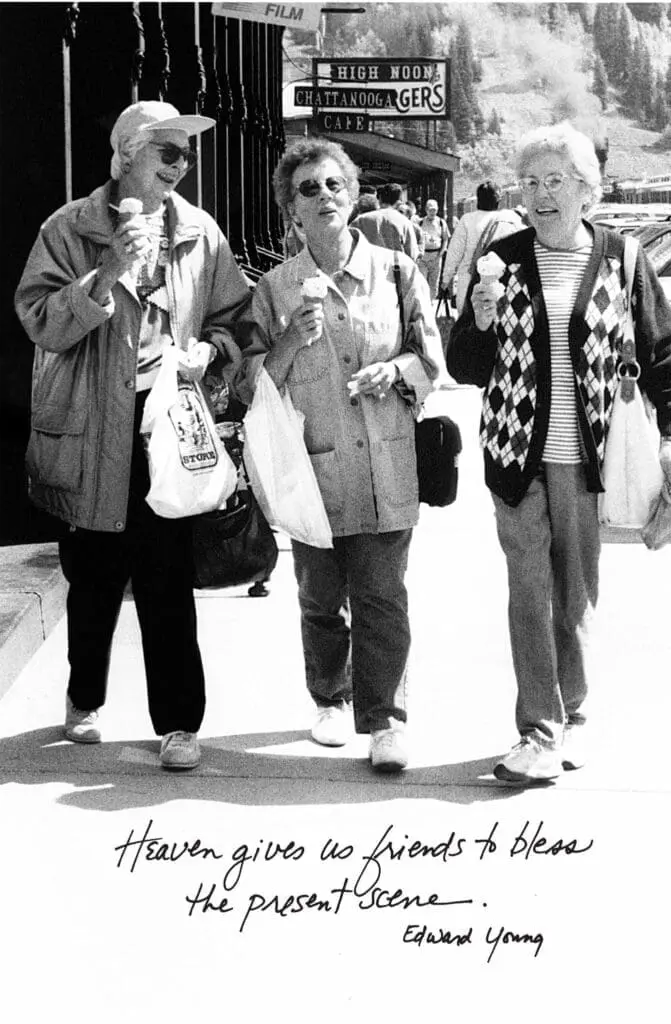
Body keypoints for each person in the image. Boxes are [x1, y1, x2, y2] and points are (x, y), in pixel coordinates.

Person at [446, 123, 671, 785]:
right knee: (529, 592)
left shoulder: (622, 259)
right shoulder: (501, 257)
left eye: (556, 180)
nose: (541, 194)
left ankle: (574, 713)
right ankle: (538, 731)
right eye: (530, 182)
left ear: (588, 189)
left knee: (576, 593)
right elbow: (465, 366)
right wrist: (479, 320)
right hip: (515, 454)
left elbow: (665, 353)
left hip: (590, 461)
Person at [15, 100, 251, 770]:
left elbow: (235, 317)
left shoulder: (200, 232)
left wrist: (211, 349)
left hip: (165, 425)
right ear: (125, 154)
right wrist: (108, 272)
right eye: (167, 151)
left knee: (167, 576)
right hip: (92, 423)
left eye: (186, 154)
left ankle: (178, 723)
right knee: (92, 573)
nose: (182, 165)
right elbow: (39, 320)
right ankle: (84, 697)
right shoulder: (68, 228)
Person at [235, 138, 444, 772]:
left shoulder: (397, 271)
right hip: (312, 469)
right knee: (321, 597)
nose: (323, 196)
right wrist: (288, 344)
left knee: (383, 597)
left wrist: (396, 371)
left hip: (386, 463)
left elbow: (432, 359)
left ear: (352, 196)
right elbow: (247, 385)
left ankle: (386, 721)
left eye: (334, 185)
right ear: (291, 210)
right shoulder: (275, 289)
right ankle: (330, 697)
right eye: (308, 189)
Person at [442, 181, 522, 315]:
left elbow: (454, 252)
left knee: (466, 321)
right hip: (498, 281)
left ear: (478, 199)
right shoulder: (509, 219)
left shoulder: (467, 220)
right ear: (498, 200)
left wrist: (446, 278)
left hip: (468, 281)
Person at [351, 181, 419, 261]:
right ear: (398, 202)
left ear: (379, 199)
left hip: (368, 266)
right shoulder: (404, 222)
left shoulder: (360, 220)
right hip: (396, 266)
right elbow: (412, 255)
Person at [417, 198, 450, 300]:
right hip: (423, 258)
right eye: (430, 210)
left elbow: (445, 239)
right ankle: (423, 303)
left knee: (434, 284)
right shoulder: (420, 222)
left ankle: (431, 303)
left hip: (436, 257)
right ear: (426, 210)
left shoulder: (441, 223)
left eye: (434, 210)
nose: (432, 212)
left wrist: (441, 253)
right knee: (422, 282)